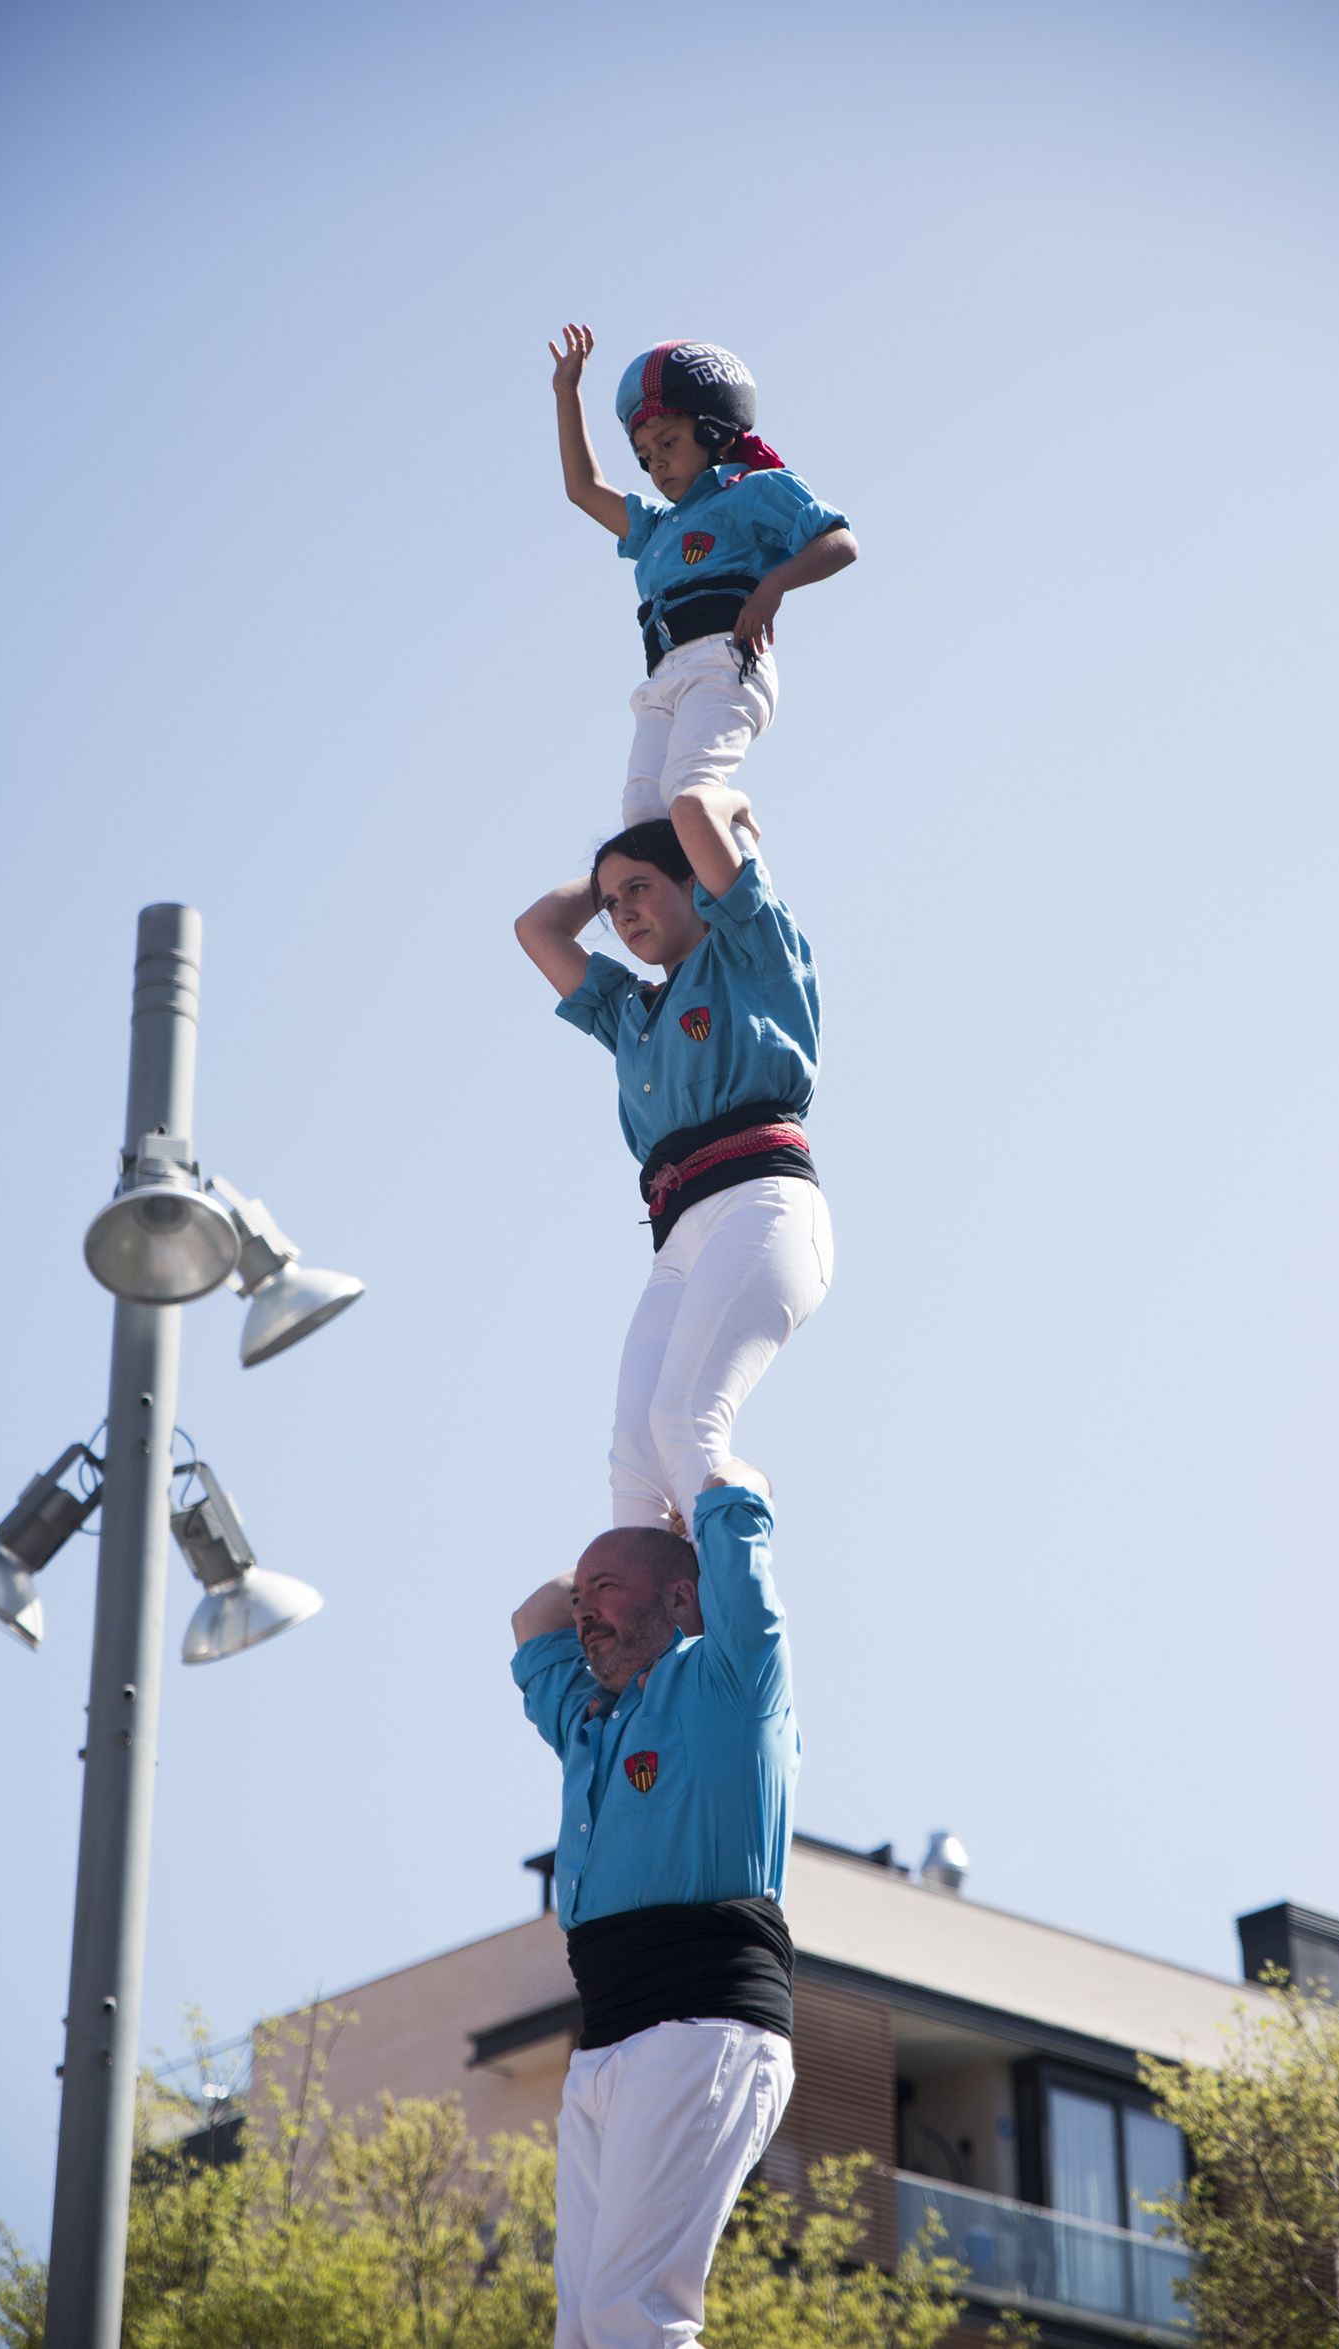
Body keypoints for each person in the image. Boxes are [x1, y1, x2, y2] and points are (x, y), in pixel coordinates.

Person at [510, 1457, 798, 2349]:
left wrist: (709, 1498)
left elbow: (737, 1548)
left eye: (607, 1587)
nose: (583, 1606)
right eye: (584, 1590)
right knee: (586, 2332)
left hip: (701, 2026)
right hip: (608, 2047)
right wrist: (634, 1528)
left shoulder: (729, 1689)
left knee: (631, 2315)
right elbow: (534, 1615)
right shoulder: (591, 1718)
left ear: (680, 1602)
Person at [514, 784, 832, 1540]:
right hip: (677, 1239)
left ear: (694, 881)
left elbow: (691, 807)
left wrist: (728, 808)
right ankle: (653, 1646)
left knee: (682, 1418)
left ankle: (735, 1588)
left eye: (640, 889)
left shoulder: (749, 949)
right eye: (611, 901)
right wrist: (609, 878)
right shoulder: (631, 1011)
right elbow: (537, 928)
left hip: (760, 1202)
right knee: (635, 1459)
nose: (621, 913)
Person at [550, 324, 858, 827]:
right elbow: (583, 488)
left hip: (723, 660)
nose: (657, 464)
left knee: (689, 789)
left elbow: (840, 542)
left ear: (714, 431)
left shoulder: (748, 490)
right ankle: (690, 901)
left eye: (669, 441)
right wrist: (568, 392)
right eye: (645, 456)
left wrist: (772, 587)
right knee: (643, 815)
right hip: (664, 676)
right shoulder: (655, 525)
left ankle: (741, 852)